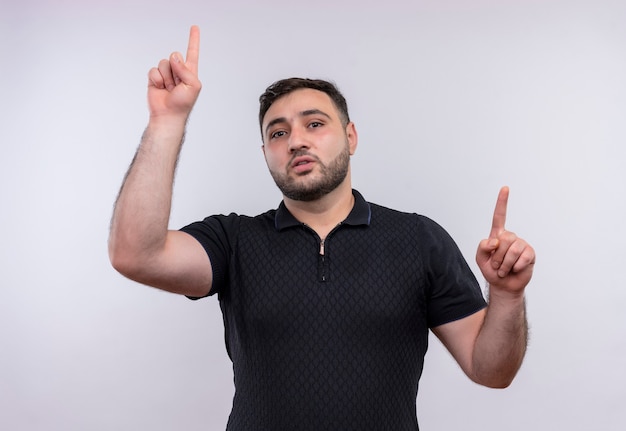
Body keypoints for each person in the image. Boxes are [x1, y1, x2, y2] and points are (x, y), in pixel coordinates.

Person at [108, 26, 535, 430]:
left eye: (315, 124)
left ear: (350, 137)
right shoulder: (233, 241)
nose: (296, 140)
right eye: (278, 132)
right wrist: (166, 122)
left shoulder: (418, 239)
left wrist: (507, 295)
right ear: (265, 153)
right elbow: (134, 253)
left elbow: (491, 371)